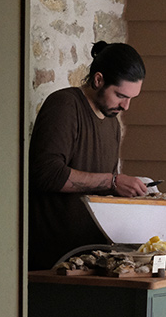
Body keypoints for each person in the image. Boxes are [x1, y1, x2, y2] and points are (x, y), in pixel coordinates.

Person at [29, 41, 148, 270]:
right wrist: (113, 181)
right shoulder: (65, 105)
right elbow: (45, 173)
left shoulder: (112, 122)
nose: (126, 106)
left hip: (94, 259)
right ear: (98, 80)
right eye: (121, 95)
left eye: (132, 98)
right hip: (54, 261)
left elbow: (103, 187)